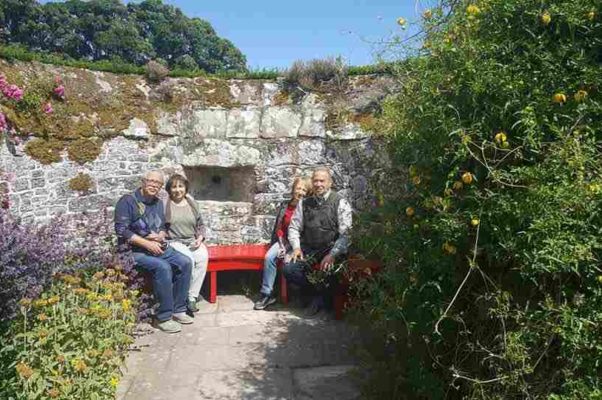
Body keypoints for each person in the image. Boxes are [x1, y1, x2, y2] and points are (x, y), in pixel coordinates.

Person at [114, 170, 193, 333]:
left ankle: (179, 310)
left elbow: (164, 226)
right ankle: (163, 317)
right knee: (162, 267)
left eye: (158, 184)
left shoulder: (158, 203)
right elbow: (121, 230)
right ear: (143, 181)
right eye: (151, 181)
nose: (154, 186)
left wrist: (161, 235)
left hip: (157, 246)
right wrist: (147, 244)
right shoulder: (127, 201)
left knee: (185, 262)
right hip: (132, 251)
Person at [283, 167, 353, 316]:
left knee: (331, 270)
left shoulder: (340, 202)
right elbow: (294, 227)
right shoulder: (304, 203)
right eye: (315, 180)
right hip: (309, 248)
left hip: (331, 248)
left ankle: (324, 303)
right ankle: (315, 292)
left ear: (330, 183)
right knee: (289, 270)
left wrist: (333, 254)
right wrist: (296, 248)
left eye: (322, 180)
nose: (318, 184)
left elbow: (346, 234)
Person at [254, 177, 311, 310]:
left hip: (298, 243)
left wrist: (291, 249)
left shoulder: (307, 208)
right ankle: (267, 294)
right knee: (269, 258)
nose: (301, 192)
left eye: (304, 189)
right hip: (283, 241)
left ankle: (298, 295)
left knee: (289, 263)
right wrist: (280, 244)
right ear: (293, 190)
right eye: (298, 188)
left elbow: (306, 232)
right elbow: (279, 227)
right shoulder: (285, 205)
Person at [164, 174, 209, 315]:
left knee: (202, 257)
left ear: (185, 188)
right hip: (174, 242)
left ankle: (192, 297)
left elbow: (200, 224)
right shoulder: (165, 204)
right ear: (169, 189)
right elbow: (160, 226)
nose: (178, 190)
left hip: (191, 240)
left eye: (181, 186)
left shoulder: (192, 203)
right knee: (188, 260)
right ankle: (180, 298)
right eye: (174, 187)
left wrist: (200, 238)